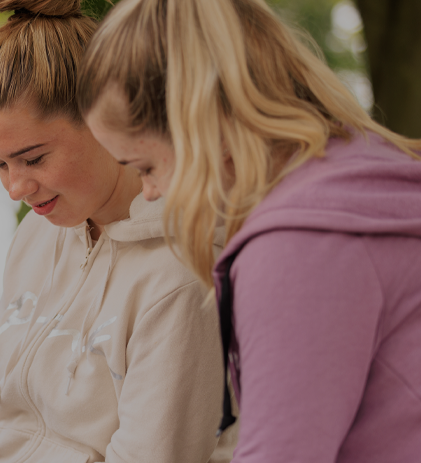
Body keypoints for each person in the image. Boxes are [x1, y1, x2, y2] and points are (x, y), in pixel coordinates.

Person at [77, 0, 421, 462]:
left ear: (202, 123)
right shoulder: (364, 169)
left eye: (147, 166)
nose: (150, 193)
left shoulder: (297, 250)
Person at [0, 1, 238, 462]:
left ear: (105, 121)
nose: (16, 188)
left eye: (33, 159)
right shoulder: (37, 231)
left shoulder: (181, 273)